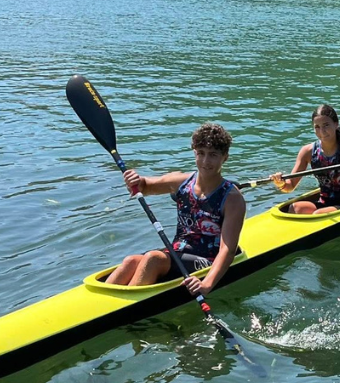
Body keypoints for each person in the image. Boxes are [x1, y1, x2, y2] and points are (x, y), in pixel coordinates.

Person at [104, 123, 246, 297]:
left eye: (213, 155)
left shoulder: (232, 198)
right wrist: (135, 181)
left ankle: (126, 307)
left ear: (225, 157)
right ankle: (100, 303)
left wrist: (206, 285)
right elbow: (145, 186)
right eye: (201, 153)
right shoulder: (182, 182)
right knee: (130, 261)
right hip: (179, 252)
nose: (205, 161)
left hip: (209, 260)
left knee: (153, 259)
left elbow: (227, 250)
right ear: (194, 153)